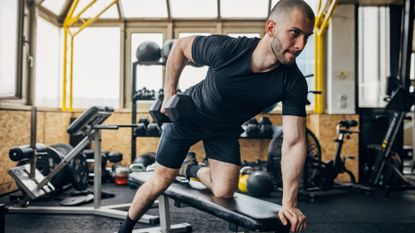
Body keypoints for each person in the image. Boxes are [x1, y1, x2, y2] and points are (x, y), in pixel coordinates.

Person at [119, 0, 314, 232]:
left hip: (224, 130)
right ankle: (125, 227)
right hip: (189, 117)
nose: (301, 44)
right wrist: (169, 93)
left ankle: (189, 168)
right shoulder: (226, 49)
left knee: (224, 190)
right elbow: (180, 47)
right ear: (271, 28)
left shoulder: (293, 81)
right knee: (161, 181)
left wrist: (289, 204)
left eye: (307, 37)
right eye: (295, 33)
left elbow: (293, 141)